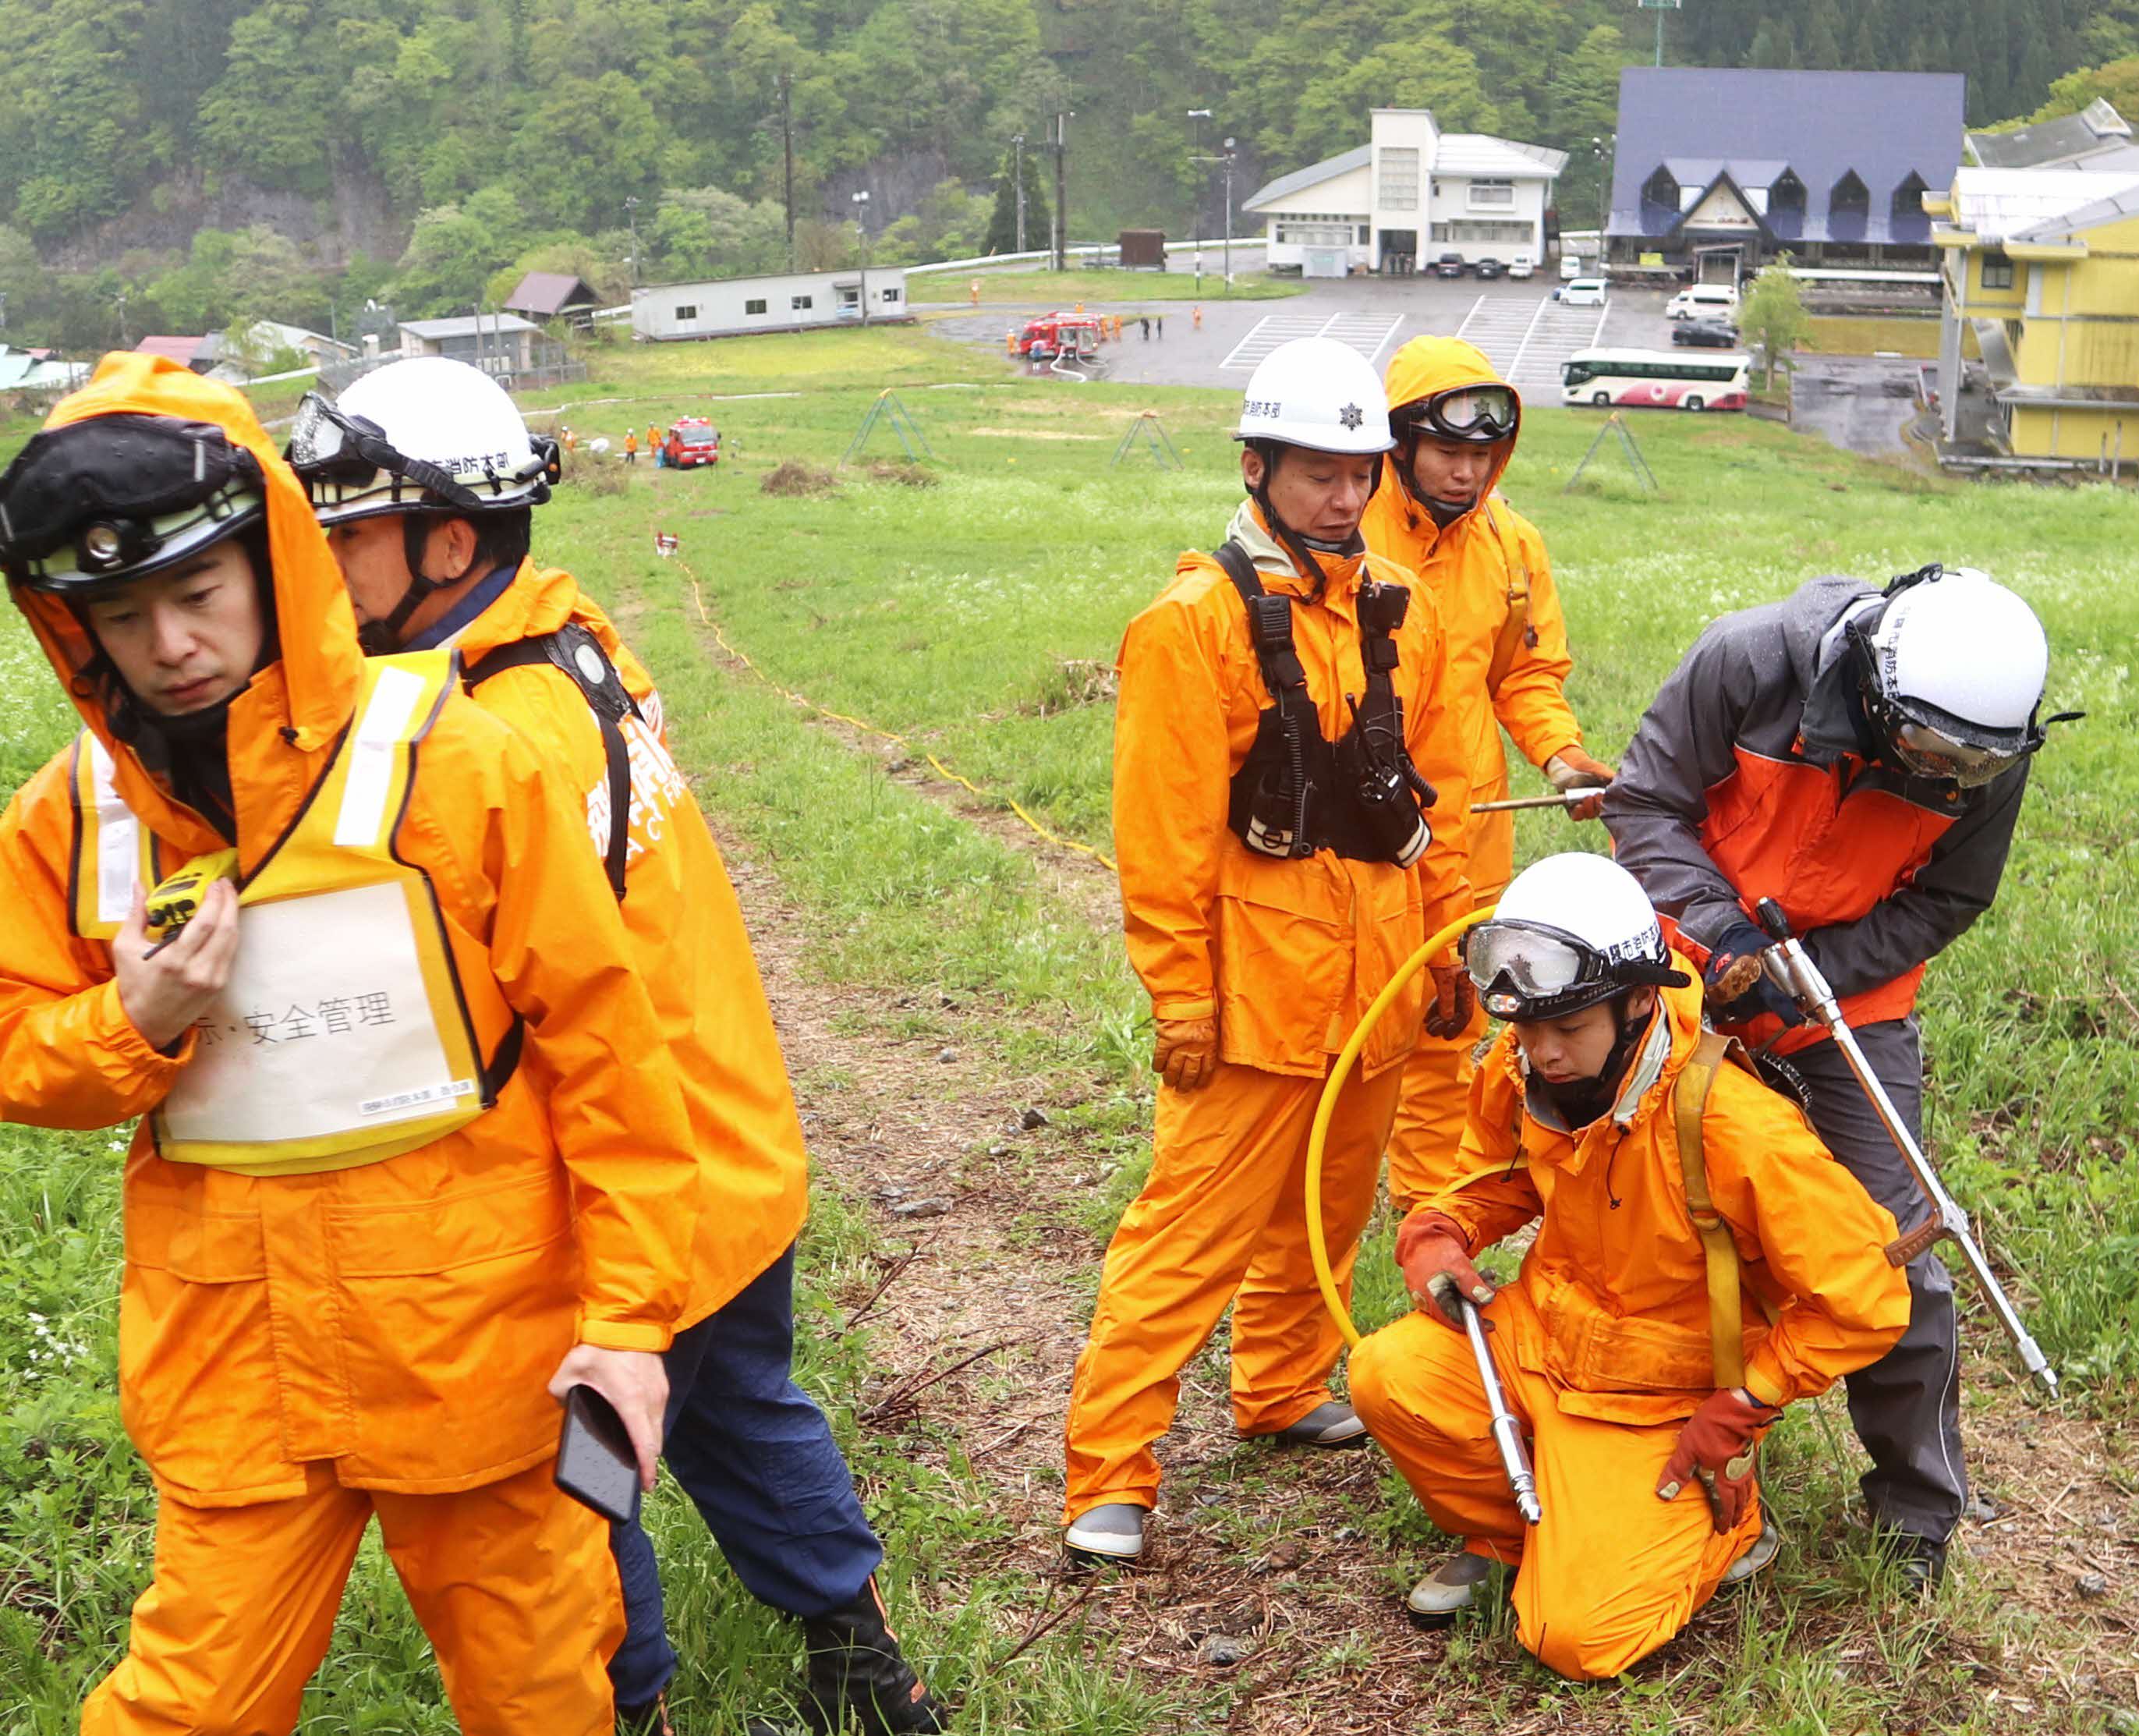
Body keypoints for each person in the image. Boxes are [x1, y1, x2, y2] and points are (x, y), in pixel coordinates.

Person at [0, 352, 700, 1733]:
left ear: (274, 562)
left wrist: (627, 1326)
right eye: (122, 616)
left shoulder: (458, 764)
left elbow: (608, 1059)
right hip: (235, 1376)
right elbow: (18, 1046)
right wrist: (125, 1026)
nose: (171, 644)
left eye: (198, 596)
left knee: (540, 1699)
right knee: (182, 1708)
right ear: (71, 628)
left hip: (480, 1364)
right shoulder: (72, 820)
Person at [291, 356, 945, 1736]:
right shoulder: (570, 648)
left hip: (629, 1193)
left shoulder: (491, 736)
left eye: (347, 532)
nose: (323, 564)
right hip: (724, 1153)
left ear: (448, 541)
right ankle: (870, 1680)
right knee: (742, 1418)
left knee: (568, 1486)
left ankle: (622, 1705)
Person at [1063, 337, 1474, 1567]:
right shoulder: (1193, 624)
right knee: (1184, 1238)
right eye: (1317, 474)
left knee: (1331, 1210)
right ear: (1257, 468)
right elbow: (1164, 835)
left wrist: (1446, 949)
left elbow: (1434, 798)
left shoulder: (1403, 607)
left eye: (1360, 472)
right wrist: (1181, 999)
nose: (1344, 497)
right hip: (1254, 1002)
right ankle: (1110, 1472)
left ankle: (1284, 1383)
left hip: (1380, 984)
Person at [1603, 564, 2066, 1591]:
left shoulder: (1990, 749)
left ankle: (1917, 1507)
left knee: (1895, 1241)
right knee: (1645, 1214)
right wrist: (1722, 938)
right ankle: (1649, 1452)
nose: (1944, 771)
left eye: (1969, 762)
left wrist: (1813, 981)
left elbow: (1948, 898)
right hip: (1688, 959)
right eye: (1928, 748)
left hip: (1849, 1000)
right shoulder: (1749, 660)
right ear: (1875, 685)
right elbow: (1644, 804)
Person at [1347, 852, 1910, 1679]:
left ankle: (1732, 1526)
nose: (1543, 1055)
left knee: (1575, 1640)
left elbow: (1866, 1296)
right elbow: (1494, 1177)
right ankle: (1518, 1538)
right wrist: (1438, 1227)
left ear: (1642, 998)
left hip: (1663, 1401)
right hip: (1543, 1343)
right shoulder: (1523, 1066)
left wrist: (1747, 1400)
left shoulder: (1731, 1124)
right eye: (1529, 1031)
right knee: (1385, 1373)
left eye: (1567, 1030)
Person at [1362, 336, 1612, 1210]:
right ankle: (1320, 1192)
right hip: (1354, 836)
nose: (1468, 475)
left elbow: (1525, 677)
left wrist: (1563, 756)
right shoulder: (1341, 529)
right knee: (1348, 1023)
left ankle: (1426, 1215)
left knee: (1451, 1019)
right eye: (1449, 453)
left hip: (1469, 833)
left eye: (1482, 456)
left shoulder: (1512, 547)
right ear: (1399, 443)